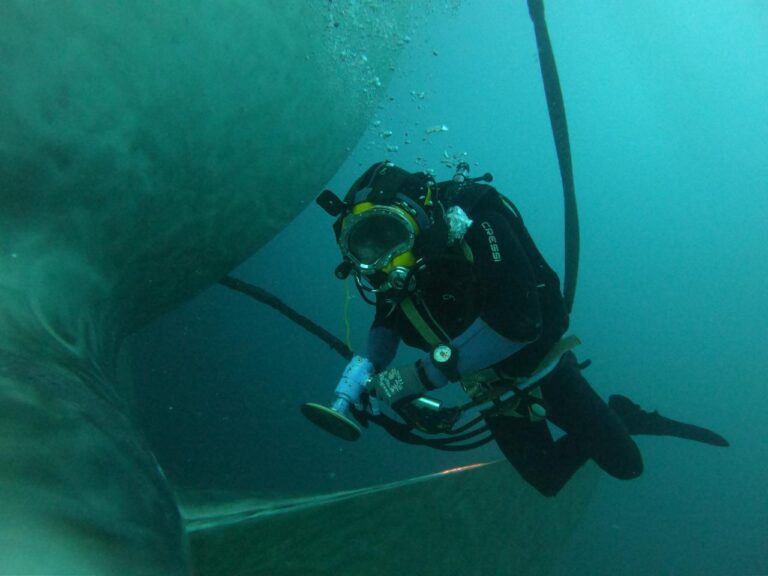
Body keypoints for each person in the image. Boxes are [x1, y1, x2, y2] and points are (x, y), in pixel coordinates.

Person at [313, 160, 728, 497]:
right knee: (546, 479)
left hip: (541, 367)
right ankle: (610, 422)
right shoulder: (395, 269)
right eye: (366, 247)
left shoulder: (479, 223)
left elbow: (519, 322)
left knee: (626, 466)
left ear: (415, 216)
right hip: (489, 388)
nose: (385, 258)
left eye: (389, 233)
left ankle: (621, 415)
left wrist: (417, 378)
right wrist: (364, 371)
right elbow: (386, 319)